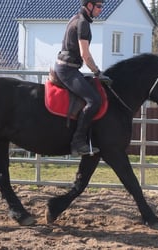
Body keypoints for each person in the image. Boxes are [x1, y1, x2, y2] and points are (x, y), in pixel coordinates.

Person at [54, 0, 104, 156]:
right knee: (94, 100)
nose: (100, 10)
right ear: (89, 5)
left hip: (69, 68)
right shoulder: (82, 23)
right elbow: (85, 55)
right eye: (99, 6)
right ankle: (78, 143)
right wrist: (97, 72)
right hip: (67, 70)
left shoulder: (76, 18)